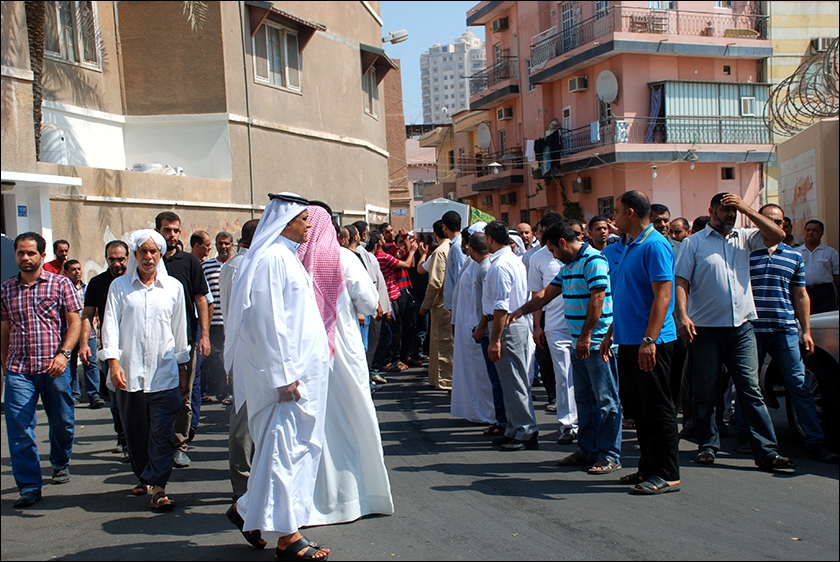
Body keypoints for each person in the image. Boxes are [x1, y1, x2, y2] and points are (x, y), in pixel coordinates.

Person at [223, 193, 331, 560]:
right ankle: (288, 537)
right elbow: (267, 320)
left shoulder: (287, 257)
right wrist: (282, 376)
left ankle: (246, 512)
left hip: (300, 375)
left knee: (288, 452)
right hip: (285, 380)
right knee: (283, 454)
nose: (309, 224)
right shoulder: (272, 259)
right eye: (303, 219)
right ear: (285, 222)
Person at [675, 192, 795, 472]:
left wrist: (746, 208)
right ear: (711, 210)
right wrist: (682, 315)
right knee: (705, 391)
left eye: (734, 211)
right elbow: (681, 281)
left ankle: (766, 451)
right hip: (705, 330)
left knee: (751, 390)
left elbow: (777, 235)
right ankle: (708, 444)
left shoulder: (745, 237)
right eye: (725, 209)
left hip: (742, 329)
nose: (731, 215)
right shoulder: (693, 243)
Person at [297, 203, 394, 526]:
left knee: (317, 426)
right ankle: (361, 496)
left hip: (308, 351)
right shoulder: (345, 258)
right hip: (344, 350)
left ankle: (313, 503)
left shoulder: (294, 259)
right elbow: (368, 301)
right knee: (355, 417)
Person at [511, 221, 621, 474]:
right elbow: (546, 294)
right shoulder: (569, 265)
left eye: (552, 250)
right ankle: (588, 450)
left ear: (562, 242)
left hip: (596, 345)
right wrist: (520, 311)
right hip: (579, 344)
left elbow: (598, 298)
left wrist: (586, 336)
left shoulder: (594, 260)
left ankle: (610, 455)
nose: (553, 256)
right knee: (584, 399)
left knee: (606, 400)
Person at [98, 229, 189, 510]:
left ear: (160, 254)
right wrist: (113, 362)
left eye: (153, 252)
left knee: (162, 433)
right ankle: (145, 475)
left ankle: (159, 487)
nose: (148, 257)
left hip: (164, 375)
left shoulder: (173, 287)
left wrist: (182, 368)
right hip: (129, 374)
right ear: (135, 255)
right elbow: (110, 325)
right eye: (143, 252)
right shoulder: (120, 287)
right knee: (136, 433)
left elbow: (180, 330)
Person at [739, 205, 838, 463]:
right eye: (769, 220)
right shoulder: (745, 253)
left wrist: (806, 331)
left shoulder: (794, 256)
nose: (775, 225)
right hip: (751, 329)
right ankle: (745, 436)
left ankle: (815, 441)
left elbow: (800, 294)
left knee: (799, 386)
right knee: (748, 386)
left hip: (785, 329)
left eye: (779, 221)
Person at [602, 191, 680, 494]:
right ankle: (648, 467)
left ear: (630, 213)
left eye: (617, 211)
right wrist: (612, 332)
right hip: (629, 339)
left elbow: (663, 295)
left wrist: (650, 339)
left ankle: (667, 473)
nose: (614, 217)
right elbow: (628, 295)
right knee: (641, 410)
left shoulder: (654, 245)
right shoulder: (629, 245)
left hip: (651, 342)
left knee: (659, 408)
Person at [2, 232, 81, 508]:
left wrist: (64, 354)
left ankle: (60, 461)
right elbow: (4, 331)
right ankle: (29, 486)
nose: (25, 258)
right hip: (19, 369)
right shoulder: (6, 290)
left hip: (54, 367)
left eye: (31, 253)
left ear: (42, 255)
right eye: (20, 253)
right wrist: (6, 365)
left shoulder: (60, 284)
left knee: (63, 422)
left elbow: (74, 322)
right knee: (19, 428)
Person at [155, 211, 210, 469]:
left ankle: (179, 445)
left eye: (176, 230)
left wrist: (204, 335)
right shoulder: (149, 260)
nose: (172, 235)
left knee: (183, 395)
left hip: (184, 340)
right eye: (167, 230)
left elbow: (201, 299)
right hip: (153, 342)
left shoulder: (189, 262)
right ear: (158, 230)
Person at [483, 220, 539, 451]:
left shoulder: (500, 265)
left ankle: (525, 429)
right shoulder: (513, 260)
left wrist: (495, 339)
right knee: (510, 379)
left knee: (514, 380)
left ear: (490, 239)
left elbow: (501, 306)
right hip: (512, 322)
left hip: (506, 325)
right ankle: (514, 427)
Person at [218, 219, 259, 504]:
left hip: (241, 347)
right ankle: (242, 484)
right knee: (244, 418)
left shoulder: (233, 265)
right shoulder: (242, 266)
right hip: (246, 349)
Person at [527, 212, 577, 444]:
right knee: (563, 375)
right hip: (555, 324)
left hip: (582, 324)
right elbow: (537, 294)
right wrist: (537, 325)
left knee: (585, 375)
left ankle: (589, 422)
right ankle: (569, 424)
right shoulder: (537, 258)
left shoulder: (584, 255)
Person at [80, 240, 130, 462]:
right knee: (116, 399)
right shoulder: (97, 283)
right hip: (110, 349)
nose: (116, 264)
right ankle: (124, 440)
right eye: (112, 259)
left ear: (128, 258)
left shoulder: (136, 280)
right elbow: (87, 315)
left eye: (120, 259)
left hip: (136, 347)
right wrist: (84, 343)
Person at [450, 223, 495, 425]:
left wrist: (479, 325)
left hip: (476, 325)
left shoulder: (484, 266)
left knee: (481, 373)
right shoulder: (471, 263)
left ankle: (487, 412)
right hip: (466, 324)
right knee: (471, 371)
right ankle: (474, 409)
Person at [469, 232, 508, 437]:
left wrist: (481, 328)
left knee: (497, 378)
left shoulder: (487, 268)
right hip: (487, 329)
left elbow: (490, 305)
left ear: (471, 249)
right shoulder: (486, 266)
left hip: (488, 331)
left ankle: (502, 421)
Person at [63, 259, 104, 408]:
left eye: (79, 269)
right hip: (69, 332)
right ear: (66, 273)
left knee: (90, 362)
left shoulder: (87, 288)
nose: (77, 272)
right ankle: (74, 395)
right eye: (73, 270)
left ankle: (94, 395)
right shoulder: (63, 289)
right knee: (71, 364)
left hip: (87, 332)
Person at [202, 231, 235, 404]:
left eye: (227, 243)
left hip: (232, 320)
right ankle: (224, 381)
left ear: (232, 245)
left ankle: (231, 392)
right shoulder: (207, 267)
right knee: (214, 355)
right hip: (214, 321)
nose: (224, 246)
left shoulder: (238, 264)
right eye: (220, 243)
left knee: (232, 356)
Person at [419, 220, 453, 390]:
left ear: (435, 234)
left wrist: (425, 305)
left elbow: (435, 282)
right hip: (452, 301)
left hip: (442, 302)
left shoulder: (440, 251)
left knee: (442, 342)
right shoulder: (455, 247)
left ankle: (444, 379)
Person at [799, 219, 839, 313]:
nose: (810, 233)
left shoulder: (830, 252)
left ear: (821, 234)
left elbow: (837, 275)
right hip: (803, 291)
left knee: (825, 319)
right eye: (808, 230)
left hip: (825, 293)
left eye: (815, 230)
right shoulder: (796, 253)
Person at [442, 210, 466, 315]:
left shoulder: (457, 246)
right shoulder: (455, 244)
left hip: (458, 303)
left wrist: (458, 303)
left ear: (445, 227)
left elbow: (459, 274)